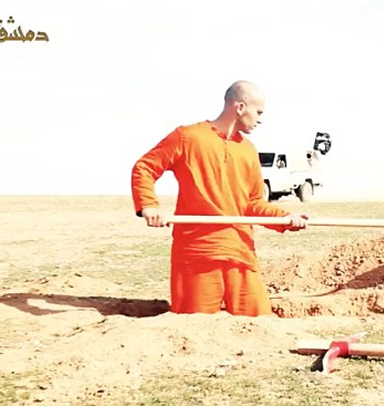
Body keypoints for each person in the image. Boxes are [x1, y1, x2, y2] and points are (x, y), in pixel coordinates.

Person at [131, 80, 308, 317]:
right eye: (258, 112)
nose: (260, 119)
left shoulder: (248, 150)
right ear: (240, 107)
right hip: (197, 253)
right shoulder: (188, 137)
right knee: (196, 326)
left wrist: (286, 218)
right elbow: (144, 168)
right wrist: (149, 206)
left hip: (240, 250)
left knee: (260, 321)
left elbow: (253, 204)